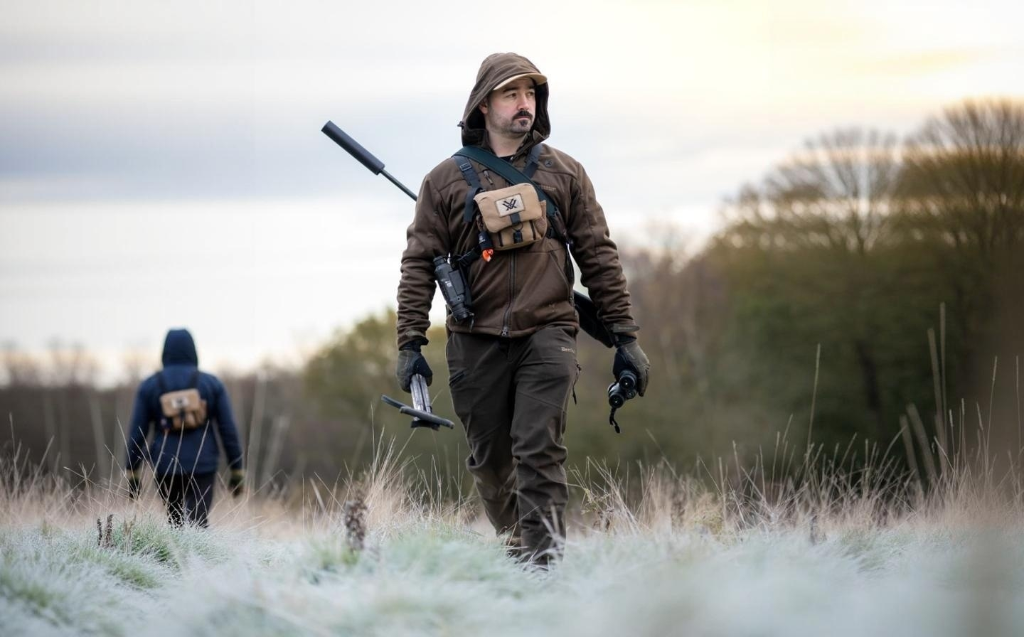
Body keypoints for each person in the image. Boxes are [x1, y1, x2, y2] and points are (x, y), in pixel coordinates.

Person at [395, 52, 650, 565]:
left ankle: (544, 568)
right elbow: (418, 264)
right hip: (474, 338)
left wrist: (625, 338)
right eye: (511, 94)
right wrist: (410, 343)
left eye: (531, 93)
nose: (523, 104)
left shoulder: (566, 173)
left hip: (549, 331)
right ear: (484, 105)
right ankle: (518, 551)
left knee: (539, 451)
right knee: (491, 463)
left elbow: (599, 256)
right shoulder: (443, 181)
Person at [125, 328, 245, 527]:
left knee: (175, 521)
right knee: (198, 522)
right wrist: (237, 469)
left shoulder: (150, 386)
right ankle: (198, 547)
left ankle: (178, 547)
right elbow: (228, 429)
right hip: (203, 464)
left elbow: (137, 432)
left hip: (165, 464)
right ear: (193, 351)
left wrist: (132, 470)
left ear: (165, 352)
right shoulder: (212, 384)